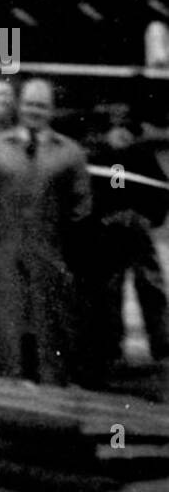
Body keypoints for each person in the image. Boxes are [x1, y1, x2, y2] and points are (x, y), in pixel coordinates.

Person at [0, 78, 92, 385]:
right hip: (4, 249)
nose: (35, 111)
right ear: (20, 107)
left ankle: (52, 394)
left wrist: (64, 249)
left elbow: (82, 205)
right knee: (3, 329)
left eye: (42, 106)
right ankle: (0, 394)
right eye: (30, 104)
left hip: (48, 252)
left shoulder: (70, 153)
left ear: (52, 110)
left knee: (51, 329)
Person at [82, 105, 169, 371]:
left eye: (125, 129)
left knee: (151, 285)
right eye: (114, 129)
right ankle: (111, 347)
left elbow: (161, 191)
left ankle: (162, 345)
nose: (120, 135)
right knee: (110, 289)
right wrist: (103, 218)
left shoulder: (142, 157)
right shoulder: (97, 158)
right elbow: (88, 193)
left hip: (137, 231)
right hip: (108, 233)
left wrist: (147, 217)